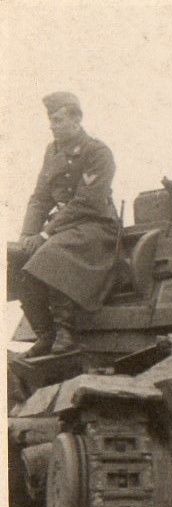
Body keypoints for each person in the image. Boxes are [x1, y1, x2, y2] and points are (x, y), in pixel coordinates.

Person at [15, 92, 119, 356]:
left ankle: (66, 331)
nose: (52, 125)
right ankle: (45, 333)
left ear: (77, 119)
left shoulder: (98, 152)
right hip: (65, 228)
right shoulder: (52, 151)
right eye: (50, 119)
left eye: (58, 119)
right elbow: (39, 198)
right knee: (17, 257)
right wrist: (28, 234)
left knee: (52, 253)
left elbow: (86, 202)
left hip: (96, 227)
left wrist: (45, 232)